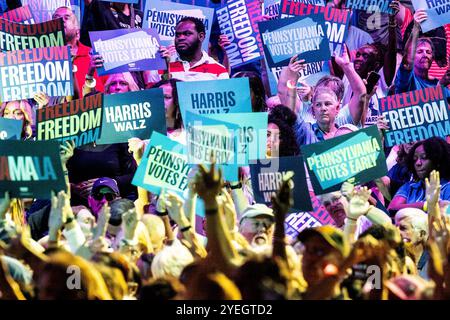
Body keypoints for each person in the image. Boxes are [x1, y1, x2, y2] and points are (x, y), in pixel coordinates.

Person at [388, 137, 450, 213]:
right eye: (415, 159)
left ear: (438, 160)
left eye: (424, 157)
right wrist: (426, 205)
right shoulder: (409, 187)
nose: (418, 163)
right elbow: (392, 209)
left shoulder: (447, 187)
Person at [394, 9, 450, 93]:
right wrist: (416, 26)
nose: (425, 55)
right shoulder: (407, 79)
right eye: (420, 51)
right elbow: (407, 62)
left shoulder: (446, 23)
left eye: (428, 52)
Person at [159, 17, 229, 82]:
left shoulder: (219, 70)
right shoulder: (164, 67)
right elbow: (162, 91)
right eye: (177, 35)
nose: (181, 38)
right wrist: (166, 68)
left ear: (201, 36)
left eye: (187, 34)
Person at [52, 6, 104, 93]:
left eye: (66, 18)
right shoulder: (43, 58)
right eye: (57, 18)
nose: (61, 20)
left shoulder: (94, 56)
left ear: (78, 31)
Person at [394, 208, 429, 279]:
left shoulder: (434, 263)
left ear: (421, 234)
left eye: (403, 228)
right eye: (395, 226)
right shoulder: (391, 257)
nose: (395, 231)